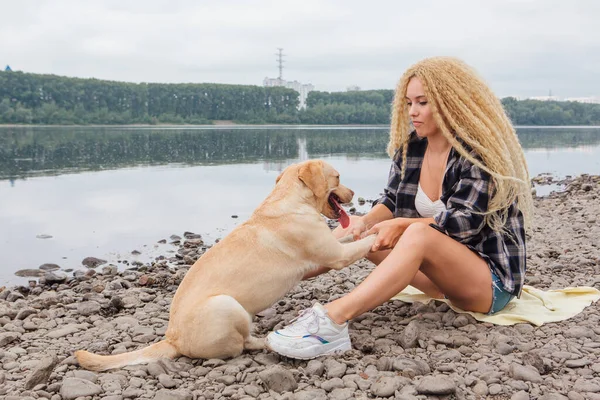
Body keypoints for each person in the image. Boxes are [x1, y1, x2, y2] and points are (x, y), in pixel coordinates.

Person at [265, 56, 534, 360]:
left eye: (422, 102)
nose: (412, 112)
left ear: (451, 103)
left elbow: (464, 224)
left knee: (418, 235)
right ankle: (270, 278)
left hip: (487, 284)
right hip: (440, 283)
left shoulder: (476, 154)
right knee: (355, 227)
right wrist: (362, 223)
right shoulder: (412, 148)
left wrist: (404, 226)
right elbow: (392, 202)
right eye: (408, 103)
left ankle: (332, 321)